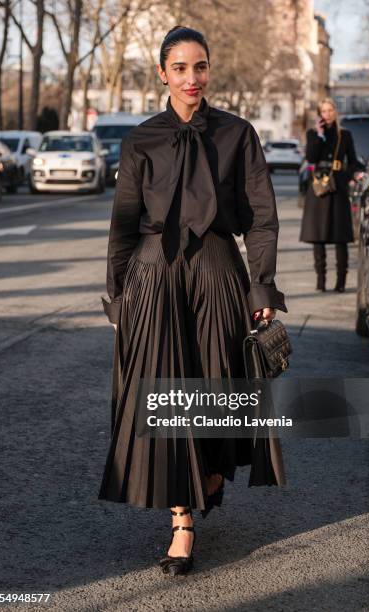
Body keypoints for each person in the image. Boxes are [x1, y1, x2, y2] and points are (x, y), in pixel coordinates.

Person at [98, 25, 288, 576]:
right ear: (162, 73)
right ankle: (181, 522)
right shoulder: (141, 140)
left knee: (217, 388)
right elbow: (124, 226)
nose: (191, 78)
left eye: (200, 67)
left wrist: (262, 286)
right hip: (155, 277)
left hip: (218, 272)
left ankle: (207, 476)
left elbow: (261, 219)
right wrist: (119, 300)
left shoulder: (238, 134)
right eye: (179, 68)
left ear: (209, 70)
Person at [299, 97, 364, 292]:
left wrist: (348, 176)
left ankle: (341, 282)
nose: (327, 114)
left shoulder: (345, 135)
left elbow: (352, 161)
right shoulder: (313, 134)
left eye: (330, 110)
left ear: (335, 112)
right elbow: (311, 157)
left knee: (340, 237)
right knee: (318, 236)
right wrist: (319, 136)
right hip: (319, 188)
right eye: (323, 112)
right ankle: (320, 281)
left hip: (338, 187)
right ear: (319, 115)